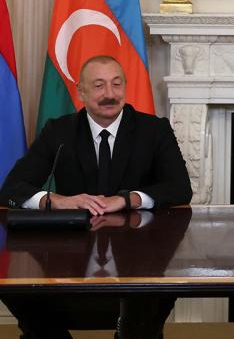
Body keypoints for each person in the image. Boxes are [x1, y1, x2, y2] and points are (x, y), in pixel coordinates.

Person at [0, 55, 193, 339]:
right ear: (81, 91)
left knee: (156, 297)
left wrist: (127, 199)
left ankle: (131, 331)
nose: (110, 94)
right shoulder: (59, 131)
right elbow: (11, 189)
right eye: (99, 86)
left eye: (117, 84)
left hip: (139, 253)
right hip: (70, 253)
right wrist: (57, 201)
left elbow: (180, 188)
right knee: (15, 288)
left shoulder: (154, 130)